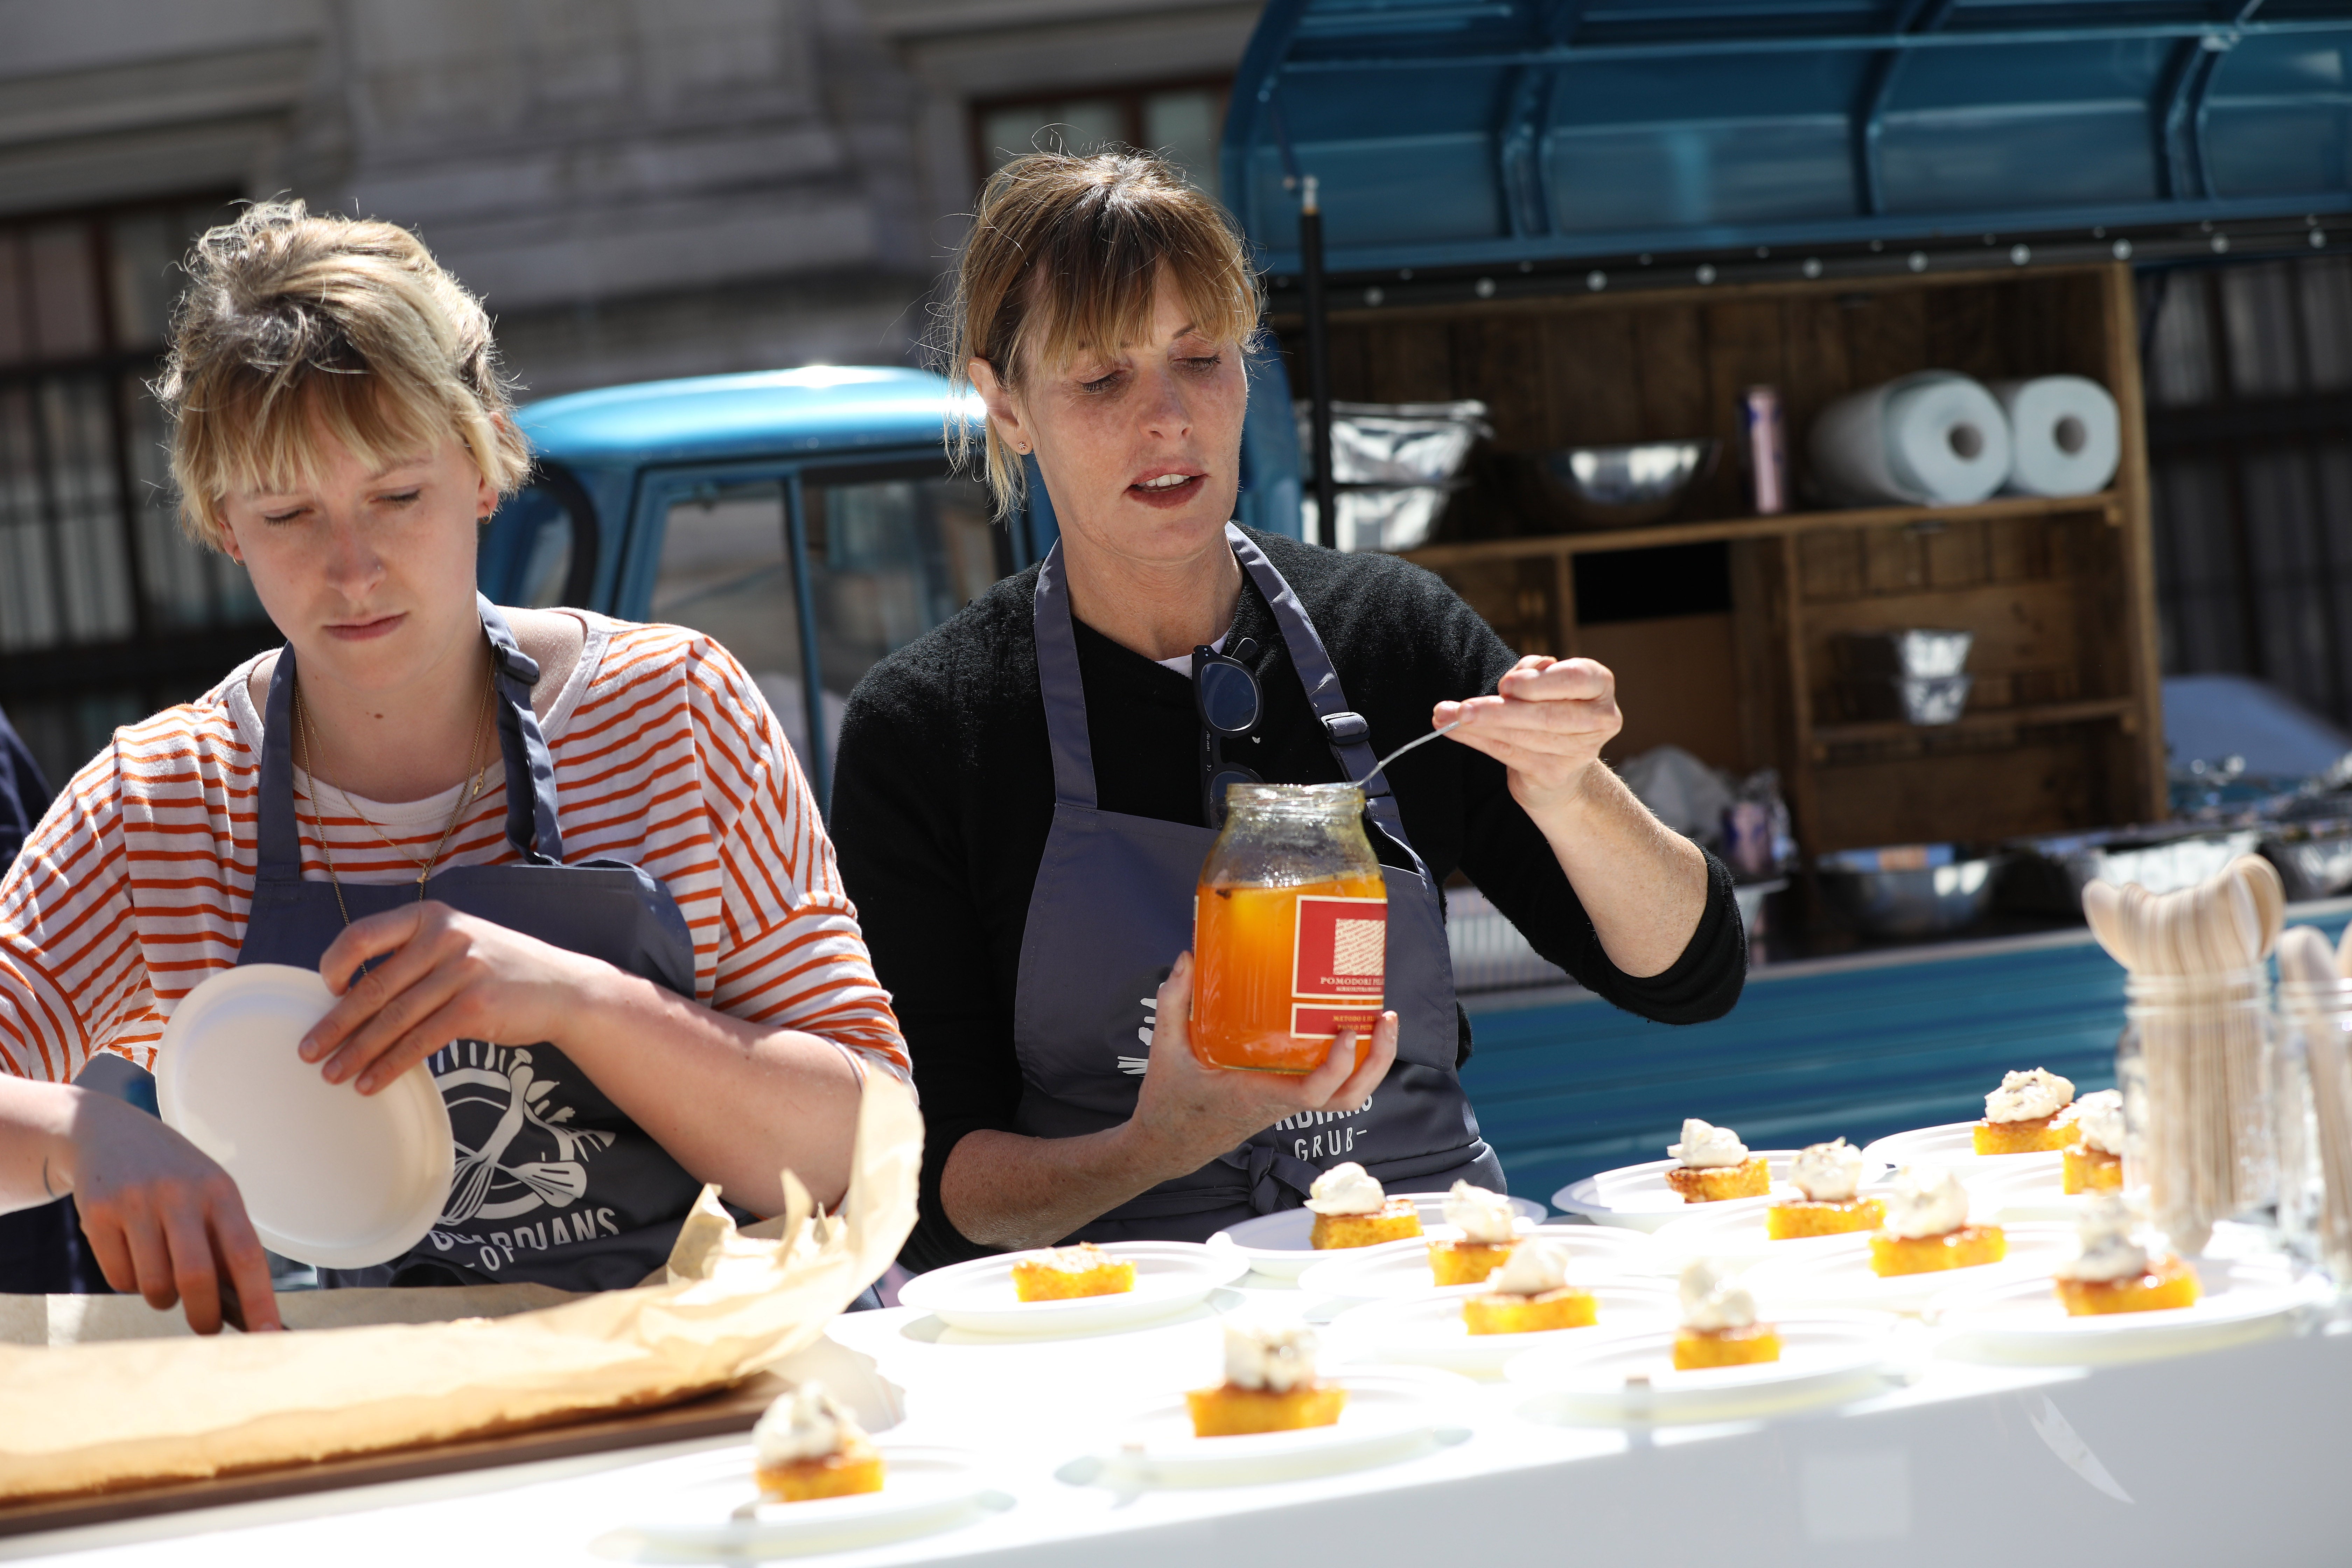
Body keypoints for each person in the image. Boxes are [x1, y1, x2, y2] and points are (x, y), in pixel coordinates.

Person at [831, 150, 1746, 1274]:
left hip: (1419, 1288)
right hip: (1126, 1337)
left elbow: (1691, 976)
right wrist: (1157, 1144)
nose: (1167, 419)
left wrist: (1575, 789)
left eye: (1201, 359)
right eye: (1102, 380)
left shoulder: (1389, 636)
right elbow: (934, 1192)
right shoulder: (931, 730)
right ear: (1007, 406)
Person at [0, 203, 906, 1332]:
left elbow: (869, 1148)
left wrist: (584, 1002)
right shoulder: (165, 809)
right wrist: (79, 1136)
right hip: (416, 1423)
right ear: (224, 525)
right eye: (289, 514)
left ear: (483, 465)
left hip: (739, 1403)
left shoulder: (673, 714)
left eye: (397, 497)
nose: (352, 567)